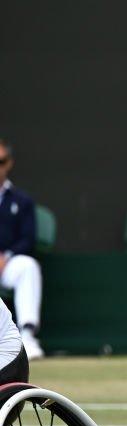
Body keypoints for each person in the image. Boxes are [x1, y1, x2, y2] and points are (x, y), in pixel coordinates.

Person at [0, 140, 44, 360]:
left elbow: (28, 239)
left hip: (8, 265)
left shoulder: (22, 200)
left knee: (28, 266)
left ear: (9, 164)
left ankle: (26, 336)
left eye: (1, 161)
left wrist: (6, 257)